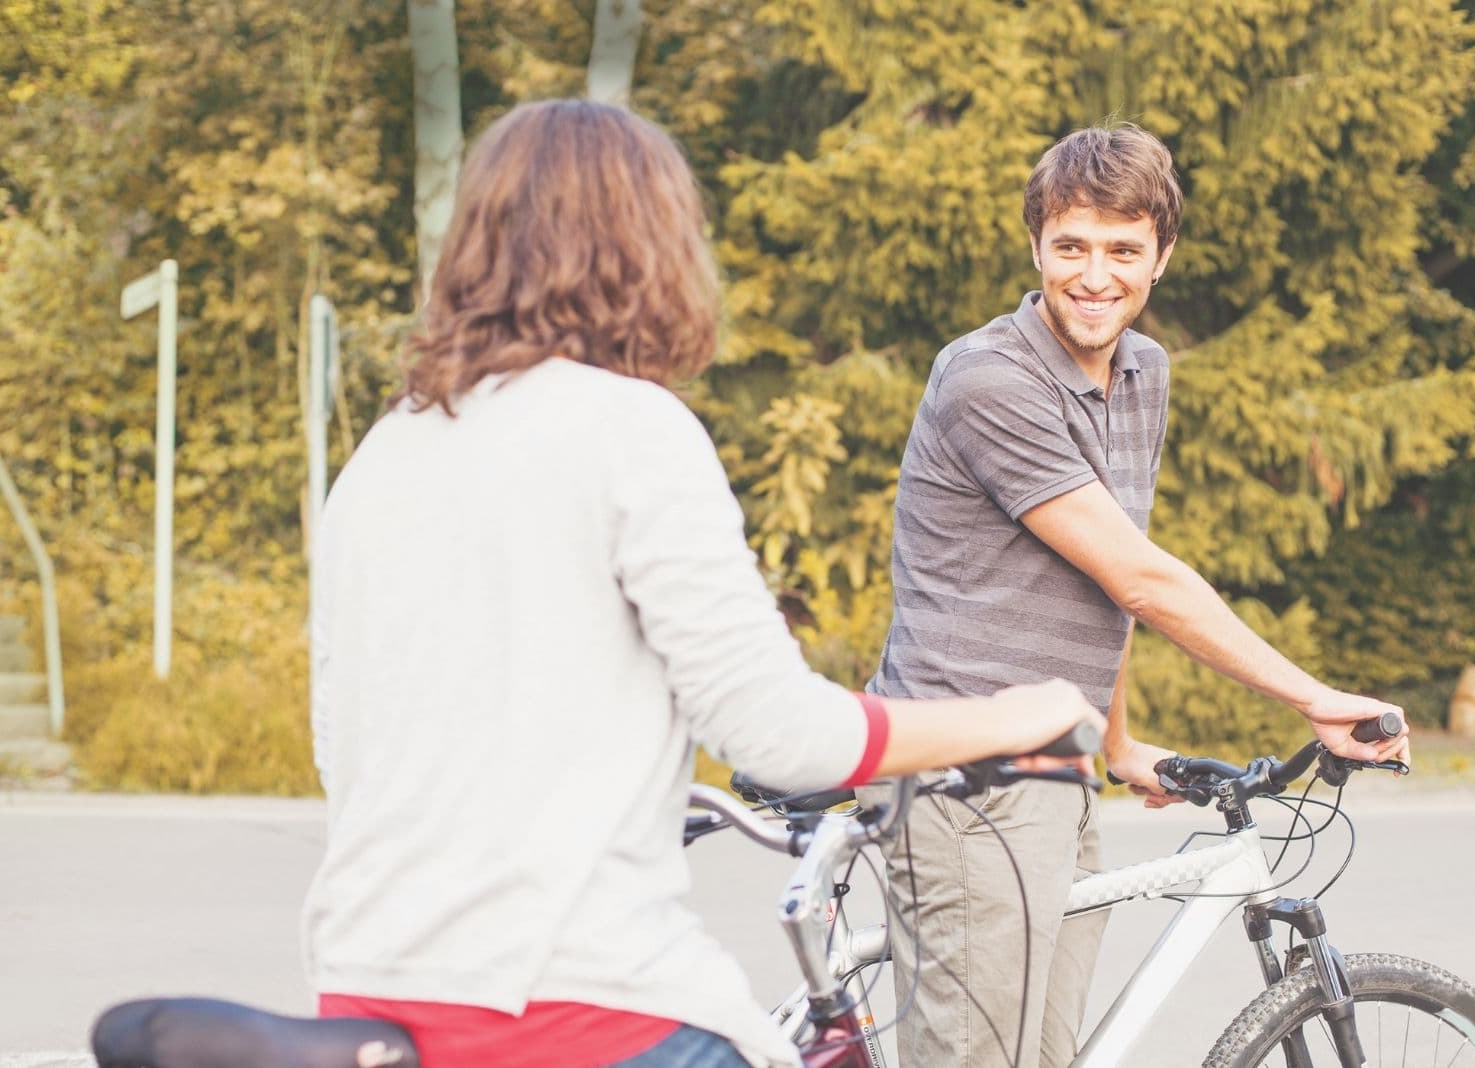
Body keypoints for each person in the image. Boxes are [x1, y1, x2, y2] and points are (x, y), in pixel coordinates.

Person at [287, 100, 1108, 1068]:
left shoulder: (388, 449)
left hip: (368, 997)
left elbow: (343, 744)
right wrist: (1019, 716)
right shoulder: (631, 429)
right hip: (578, 1009)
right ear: (654, 248)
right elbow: (779, 733)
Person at [861, 122, 1411, 1068]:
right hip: (962, 772)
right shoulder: (989, 377)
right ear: (1036, 246)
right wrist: (1314, 699)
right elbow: (1143, 580)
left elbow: (1106, 571)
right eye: (1071, 246)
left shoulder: (1140, 371)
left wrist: (1114, 745)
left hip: (1054, 766)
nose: (1094, 274)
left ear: (1161, 257)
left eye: (1123, 250)